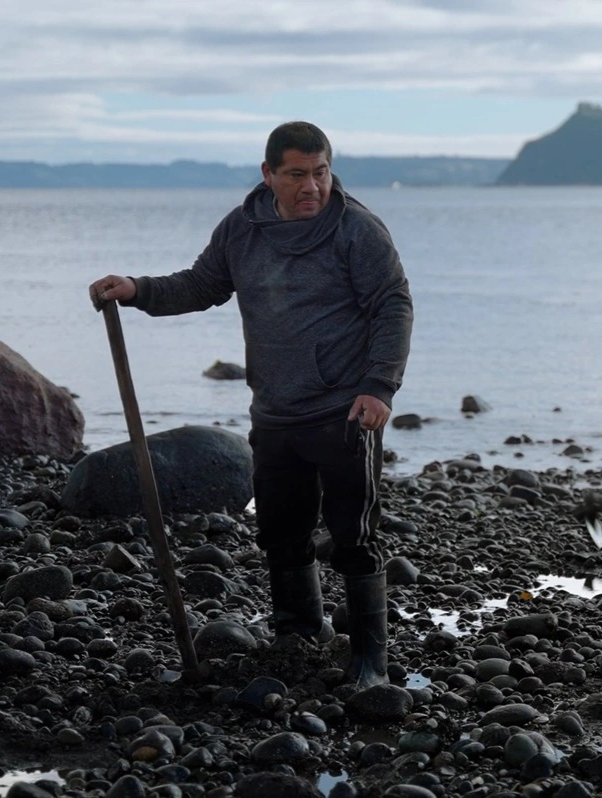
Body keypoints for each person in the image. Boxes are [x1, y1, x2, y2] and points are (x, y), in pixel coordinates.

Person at [88, 121, 413, 688]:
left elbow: (393, 306)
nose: (312, 186)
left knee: (352, 535)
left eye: (321, 172)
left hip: (344, 411)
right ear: (269, 175)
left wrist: (379, 387)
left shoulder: (357, 230)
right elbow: (200, 285)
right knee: (281, 532)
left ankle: (370, 661)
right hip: (275, 409)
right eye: (297, 175)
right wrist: (136, 290)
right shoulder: (244, 228)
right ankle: (298, 634)